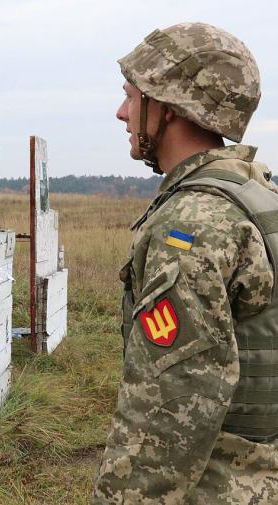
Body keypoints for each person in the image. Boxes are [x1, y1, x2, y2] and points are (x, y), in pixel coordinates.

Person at [92, 22, 278, 503]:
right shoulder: (259, 197)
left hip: (219, 487)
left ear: (168, 107)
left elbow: (170, 407)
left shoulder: (193, 222)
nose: (121, 113)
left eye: (131, 97)